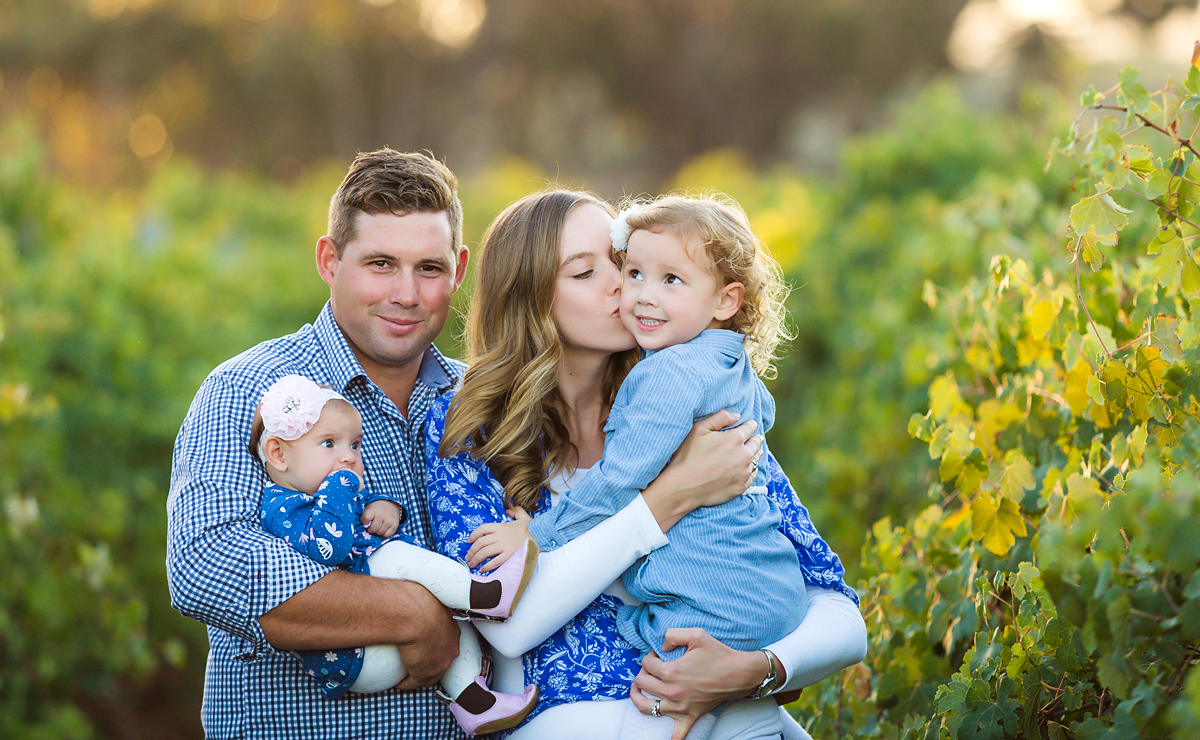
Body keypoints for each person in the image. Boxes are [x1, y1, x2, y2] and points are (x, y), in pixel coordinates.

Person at [166, 149, 760, 740]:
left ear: (459, 268)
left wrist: (751, 665)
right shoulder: (251, 388)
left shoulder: (483, 406)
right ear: (328, 260)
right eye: (380, 264)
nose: (406, 293)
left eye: (428, 268)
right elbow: (205, 564)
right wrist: (413, 610)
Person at [426, 190, 868, 740]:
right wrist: (669, 498)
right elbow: (509, 627)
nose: (624, 285)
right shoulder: (472, 422)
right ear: (531, 299)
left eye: (622, 261)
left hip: (726, 710)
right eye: (586, 273)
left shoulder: (689, 396)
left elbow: (838, 610)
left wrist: (755, 670)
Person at [250, 373, 539, 734]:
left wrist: (386, 506)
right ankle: (486, 594)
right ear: (278, 454)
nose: (348, 458)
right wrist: (343, 485)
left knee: (445, 606)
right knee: (393, 558)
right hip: (354, 656)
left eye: (354, 445)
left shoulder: (329, 490)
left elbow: (358, 517)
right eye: (328, 444)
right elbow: (330, 546)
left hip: (388, 643)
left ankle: (473, 702)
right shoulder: (280, 505)